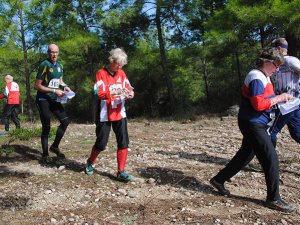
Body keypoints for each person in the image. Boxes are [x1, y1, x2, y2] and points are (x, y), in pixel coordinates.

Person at [210, 48, 296, 213]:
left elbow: (266, 99)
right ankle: (273, 199)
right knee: (271, 159)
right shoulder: (256, 77)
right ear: (267, 62)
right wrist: (279, 98)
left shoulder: (265, 76)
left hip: (255, 122)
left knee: (245, 155)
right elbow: (258, 104)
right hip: (252, 123)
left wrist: (283, 99)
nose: (277, 69)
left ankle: (218, 180)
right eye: (276, 65)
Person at [85, 48, 134, 182]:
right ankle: (90, 161)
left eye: (122, 65)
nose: (120, 67)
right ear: (111, 61)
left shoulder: (122, 73)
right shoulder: (101, 73)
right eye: (118, 64)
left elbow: (129, 88)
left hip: (120, 113)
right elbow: (97, 93)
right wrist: (114, 93)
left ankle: (121, 172)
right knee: (101, 143)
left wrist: (130, 93)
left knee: (123, 142)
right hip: (104, 114)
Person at [34, 44, 72, 160]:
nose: (54, 54)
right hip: (43, 99)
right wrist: (54, 90)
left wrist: (65, 87)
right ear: (48, 53)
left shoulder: (60, 65)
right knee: (47, 126)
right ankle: (45, 155)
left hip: (54, 99)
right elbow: (37, 86)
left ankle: (54, 147)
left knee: (65, 121)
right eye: (51, 52)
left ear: (58, 53)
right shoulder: (44, 65)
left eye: (56, 52)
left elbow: (60, 80)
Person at [270, 38, 300, 147]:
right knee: (297, 134)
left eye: (272, 49)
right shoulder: (277, 63)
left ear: (278, 49)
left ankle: (270, 161)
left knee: (270, 132)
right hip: (291, 103)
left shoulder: (290, 60)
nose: (271, 52)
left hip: (288, 103)